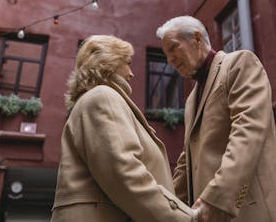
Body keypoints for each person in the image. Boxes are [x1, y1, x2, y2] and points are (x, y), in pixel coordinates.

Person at [156, 16, 276, 222]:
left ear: (197, 39)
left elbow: (248, 131)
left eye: (173, 48)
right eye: (166, 55)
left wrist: (216, 197)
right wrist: (165, 208)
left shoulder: (239, 63)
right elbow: (187, 159)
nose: (170, 60)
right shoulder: (192, 98)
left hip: (253, 210)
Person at [51, 35, 198, 222]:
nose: (132, 73)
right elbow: (123, 172)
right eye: (127, 63)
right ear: (109, 63)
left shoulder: (95, 99)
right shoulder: (103, 97)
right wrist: (184, 218)